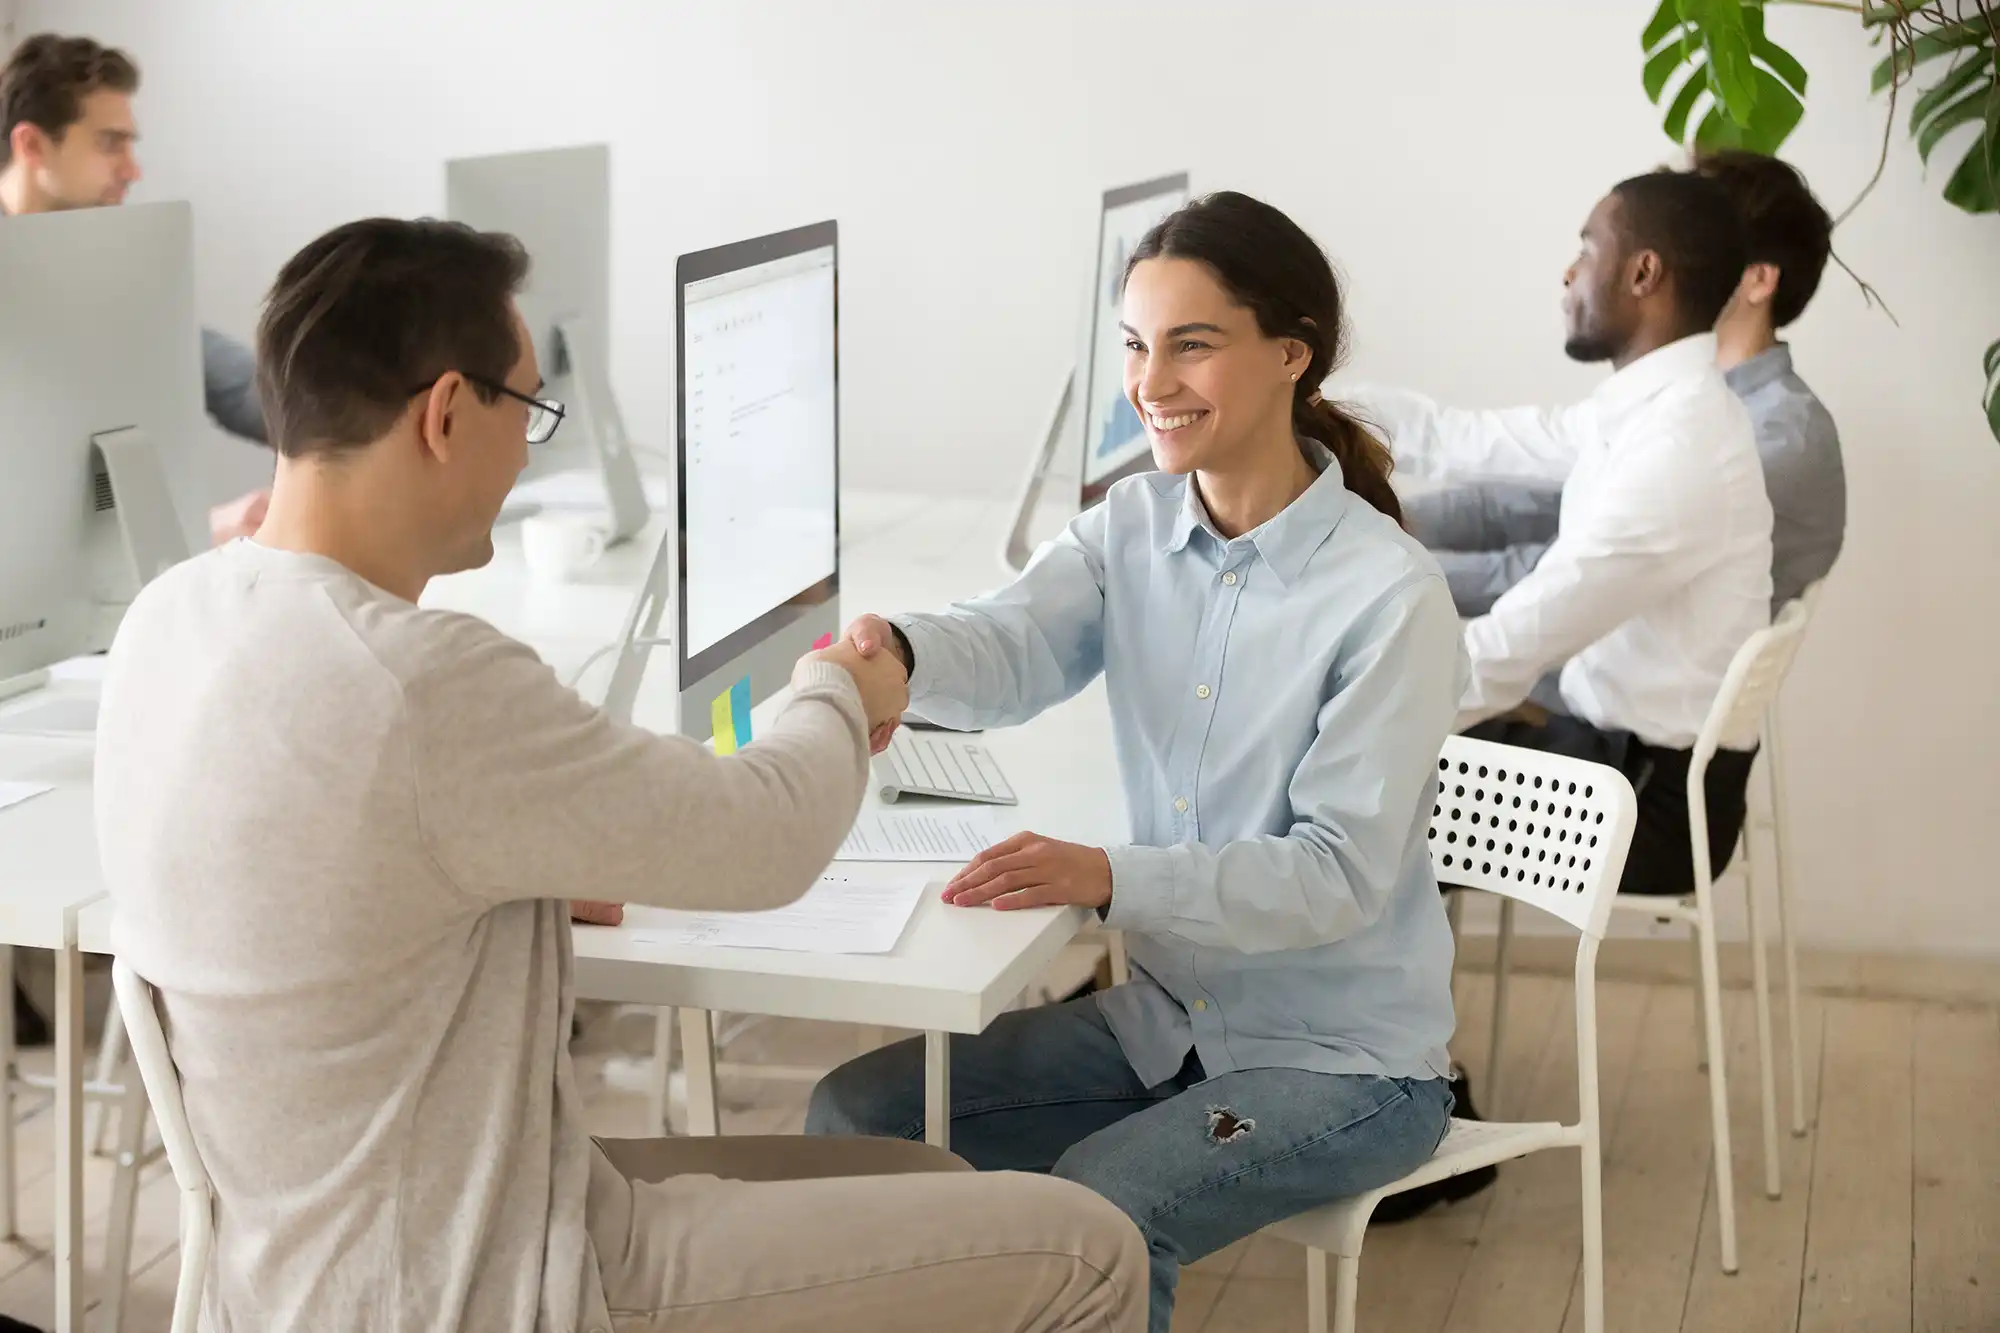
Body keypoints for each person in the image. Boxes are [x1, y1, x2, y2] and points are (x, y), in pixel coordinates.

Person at [93, 217, 1146, 1333]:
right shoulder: (420, 682)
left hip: (301, 1272)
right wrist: (843, 690)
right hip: (495, 1283)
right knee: (1091, 1251)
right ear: (447, 413)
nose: (531, 452)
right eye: (529, 410)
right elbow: (766, 837)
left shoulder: (174, 616)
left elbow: (338, 866)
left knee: (929, 1182)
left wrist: (523, 872)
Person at [805, 192, 1467, 1333]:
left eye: (1190, 344)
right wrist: (901, 655)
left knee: (1100, 1211)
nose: (1150, 381)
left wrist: (1108, 876)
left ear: (1289, 355)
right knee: (855, 1113)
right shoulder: (1130, 529)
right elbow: (1012, 640)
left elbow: (1333, 874)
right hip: (1168, 1021)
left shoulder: (1388, 598)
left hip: (1345, 1067)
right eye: (1133, 345)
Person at [1353, 169, 1771, 900]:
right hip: (1612, 759)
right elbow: (1467, 438)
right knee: (1349, 778)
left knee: (1344, 802)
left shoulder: (1680, 451)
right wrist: (1301, 398)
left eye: (1586, 248)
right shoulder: (1654, 412)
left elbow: (1512, 646)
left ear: (1644, 273)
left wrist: (1338, 721)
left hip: (1644, 805)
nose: (1569, 273)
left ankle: (1276, 1011)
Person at [1400, 151, 1844, 618]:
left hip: (1589, 676)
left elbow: (1554, 574)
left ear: (1757, 280)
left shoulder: (1772, 437)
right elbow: (1529, 502)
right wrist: (1387, 520)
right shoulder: (1674, 395)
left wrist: (1376, 568)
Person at [0, 32, 274, 542]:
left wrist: (364, 410)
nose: (133, 170)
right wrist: (198, 528)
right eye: (110, 142)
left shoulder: (116, 278)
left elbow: (240, 387)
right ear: (32, 144)